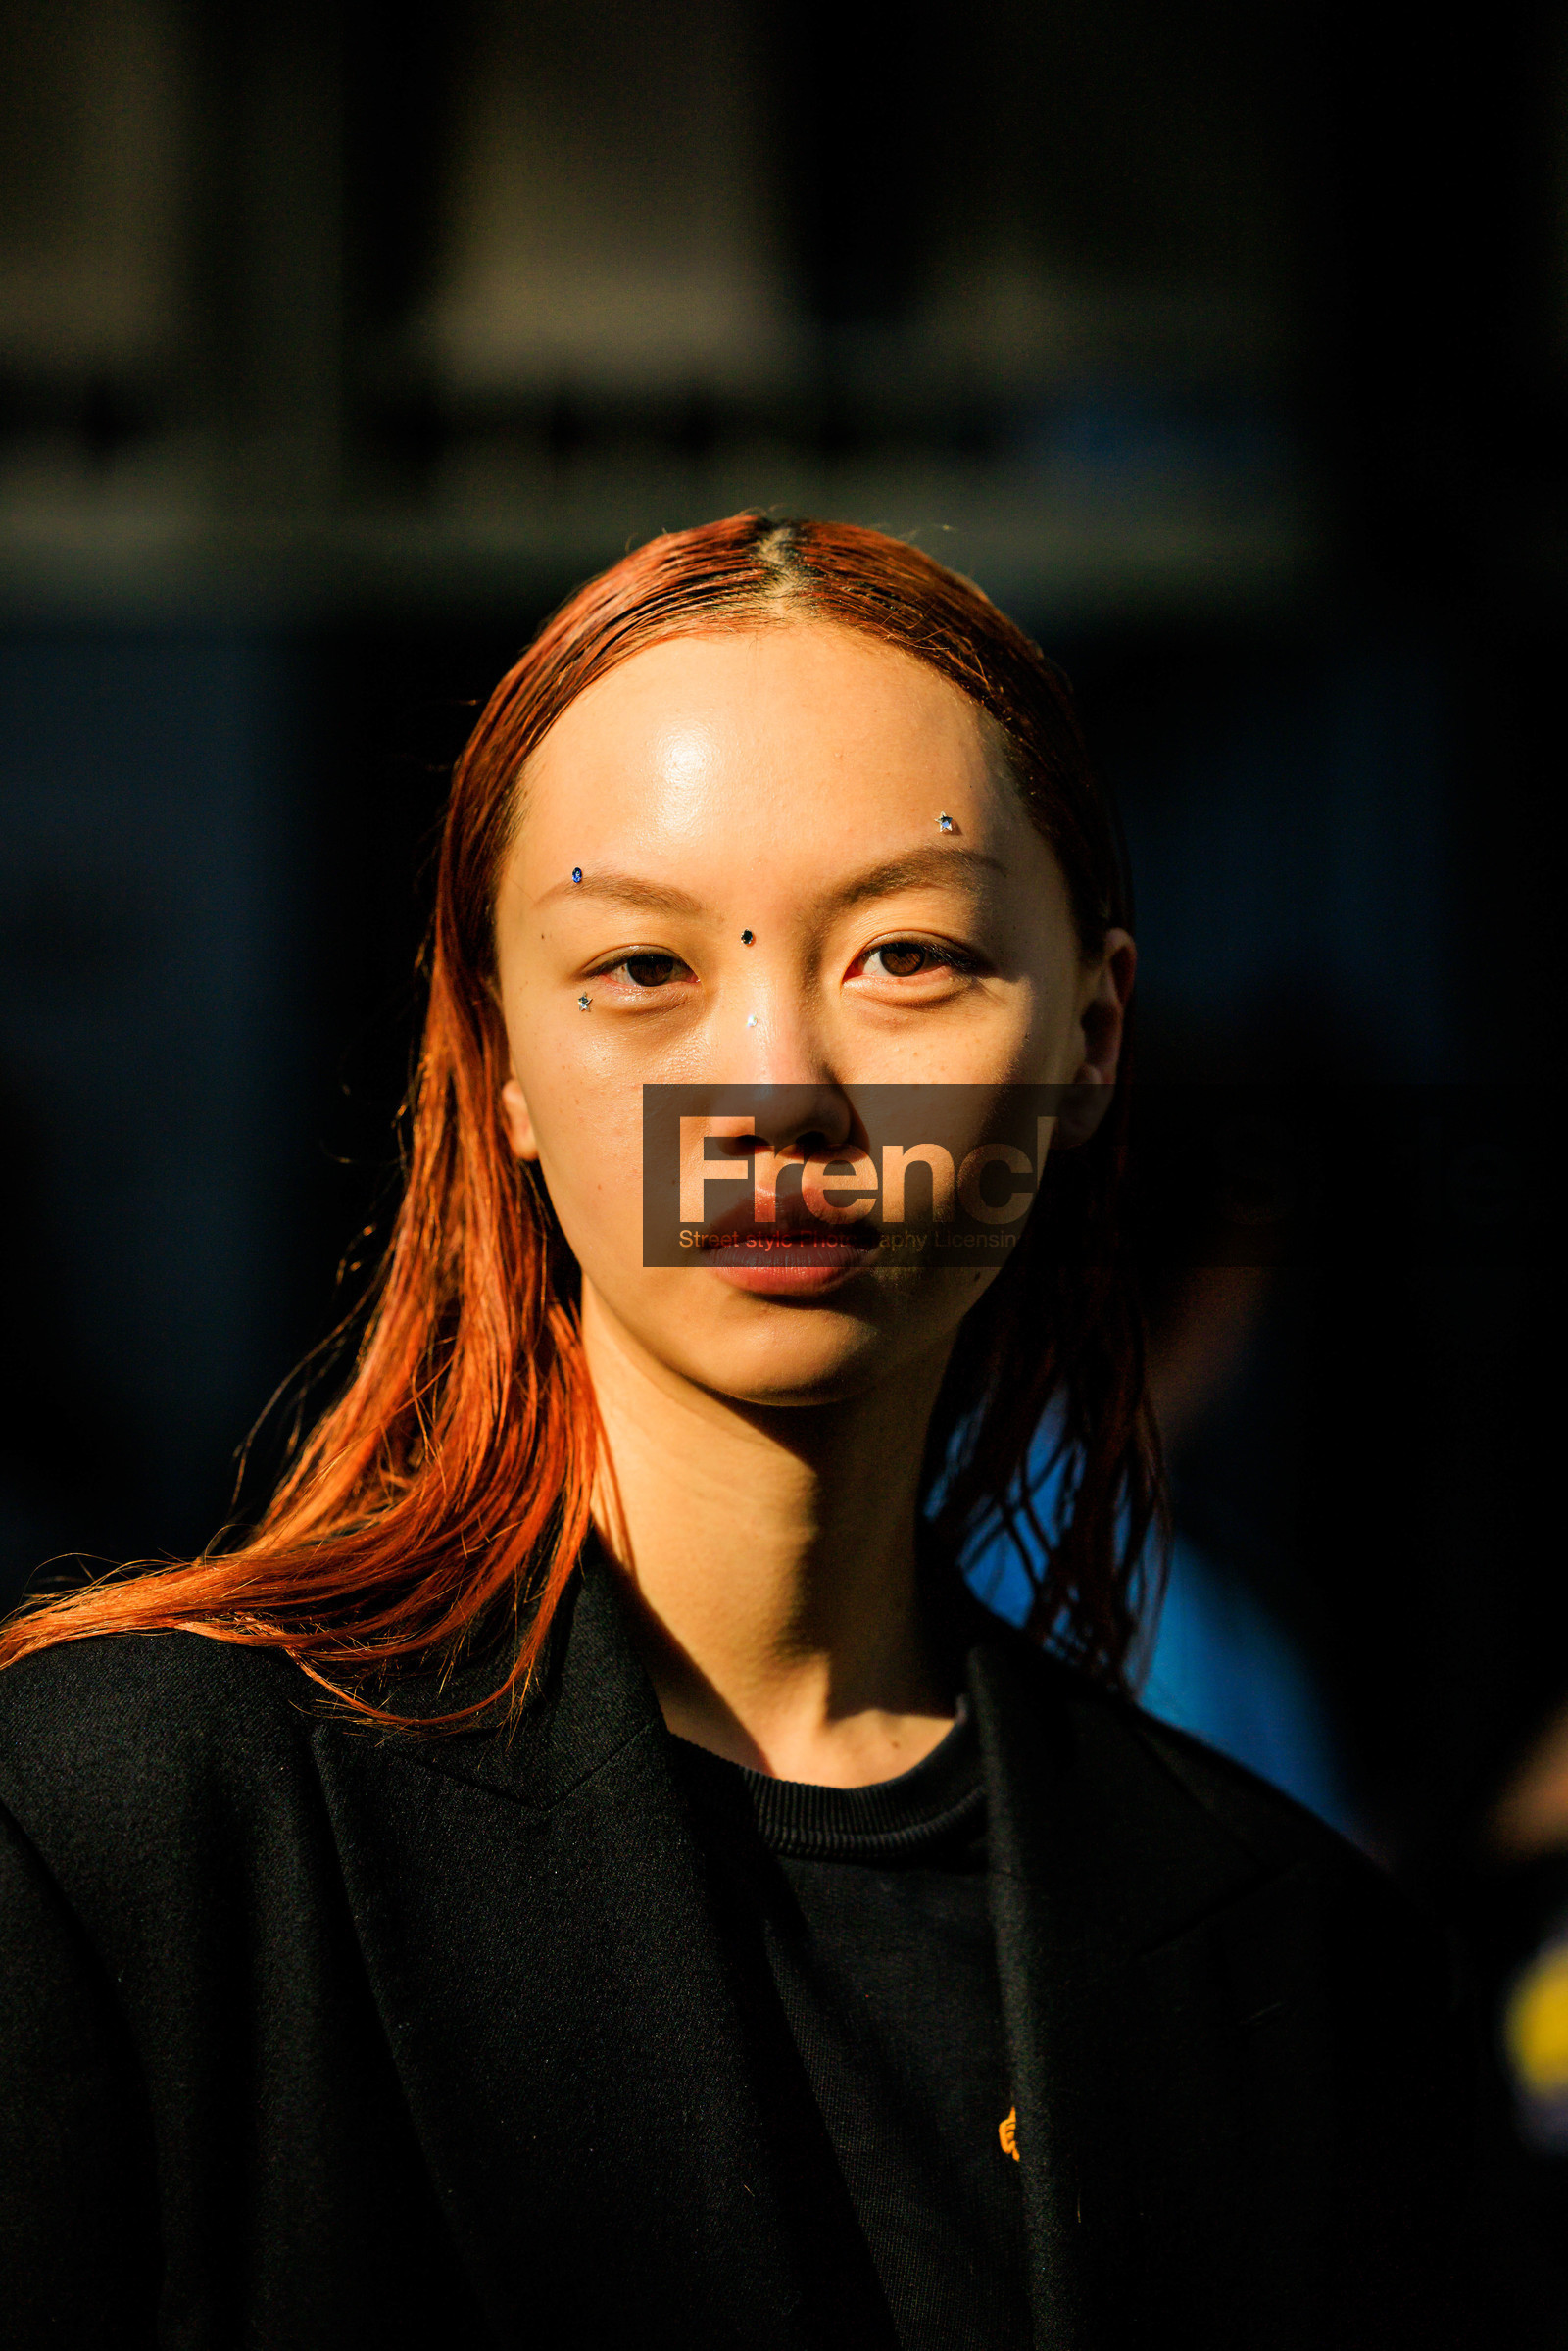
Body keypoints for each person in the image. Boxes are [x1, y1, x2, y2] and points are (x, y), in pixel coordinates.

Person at [0, 516, 1473, 2348]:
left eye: (908, 957)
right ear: (504, 1063)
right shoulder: (121, 1837)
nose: (774, 1092)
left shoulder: (1296, 1970)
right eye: (640, 970)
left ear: (1094, 1034)